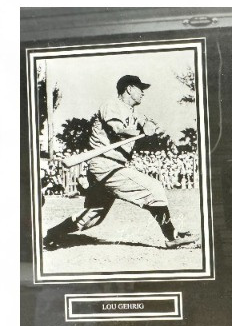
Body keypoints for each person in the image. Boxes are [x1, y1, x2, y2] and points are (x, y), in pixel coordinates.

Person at [44, 75, 198, 250]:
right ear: (129, 89)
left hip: (111, 166)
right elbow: (118, 129)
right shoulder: (112, 105)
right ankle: (171, 236)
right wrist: (140, 131)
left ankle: (52, 234)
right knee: (154, 188)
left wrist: (148, 124)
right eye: (140, 89)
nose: (143, 93)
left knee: (92, 217)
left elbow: (144, 121)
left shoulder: (133, 112)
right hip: (105, 164)